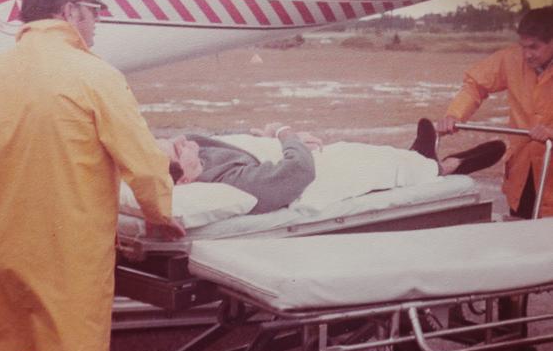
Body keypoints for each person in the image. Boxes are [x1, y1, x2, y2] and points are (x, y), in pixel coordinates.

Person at [0, 0, 184, 351]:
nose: (97, 23)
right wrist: (159, 214)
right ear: (71, 11)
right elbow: (143, 165)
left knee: (10, 346)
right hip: (70, 253)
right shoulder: (97, 76)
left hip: (3, 242)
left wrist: (11, 194)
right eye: (94, 12)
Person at [157, 119, 505, 214]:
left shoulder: (201, 159)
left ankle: (422, 157)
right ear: (185, 179)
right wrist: (284, 133)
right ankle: (447, 167)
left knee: (359, 150)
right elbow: (298, 173)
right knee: (369, 162)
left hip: (291, 153)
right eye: (180, 148)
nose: (188, 142)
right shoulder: (230, 183)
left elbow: (217, 141)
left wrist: (259, 135)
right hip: (319, 175)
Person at [437, 6, 553, 220]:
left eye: (534, 47)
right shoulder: (510, 58)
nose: (527, 54)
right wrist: (454, 115)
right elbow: (475, 85)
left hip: (550, 168)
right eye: (523, 46)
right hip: (522, 169)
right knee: (519, 229)